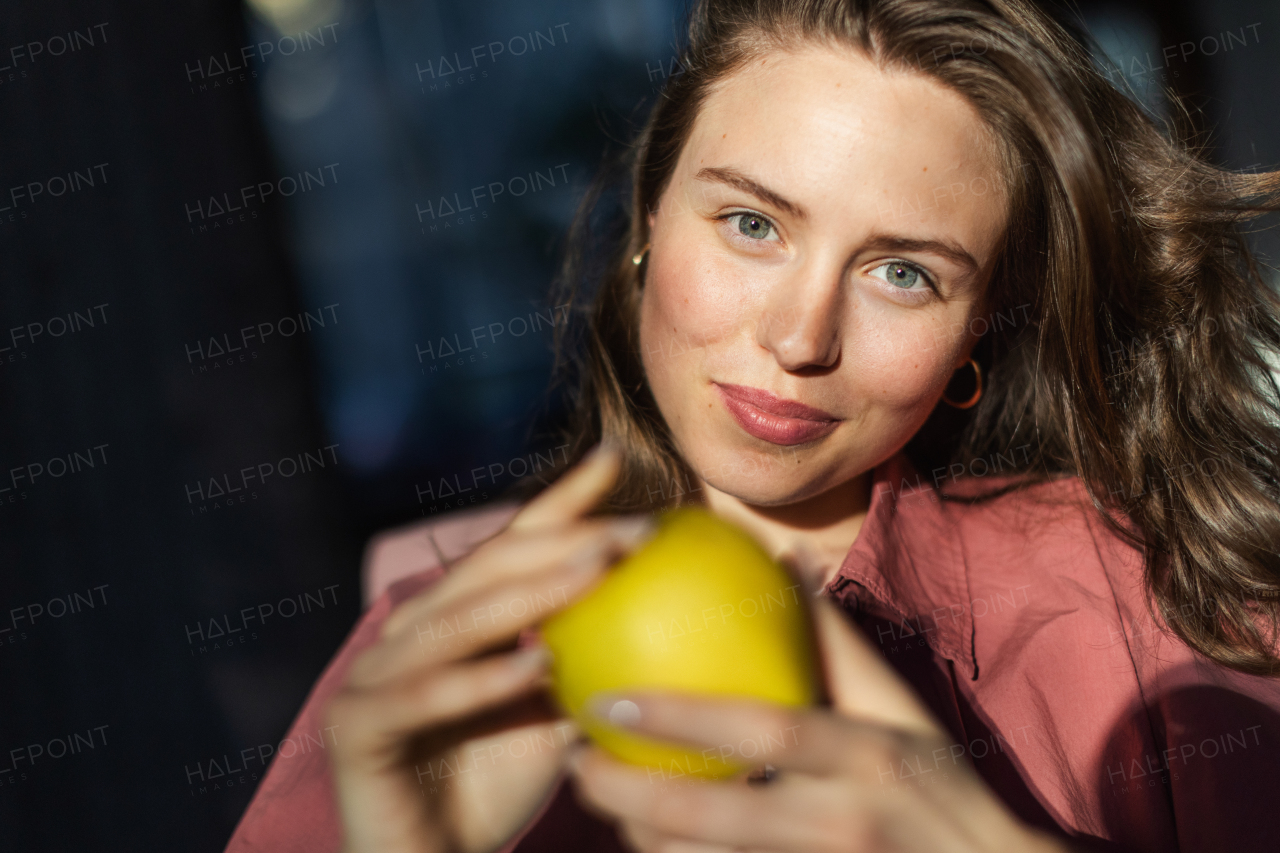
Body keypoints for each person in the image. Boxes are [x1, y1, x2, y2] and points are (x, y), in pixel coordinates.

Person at [225, 0, 1280, 851]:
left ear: (976, 335)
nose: (797, 335)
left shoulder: (1159, 607)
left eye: (901, 273)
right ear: (647, 223)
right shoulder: (437, 654)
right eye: (749, 223)